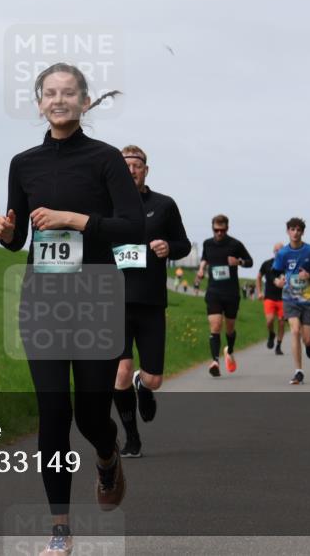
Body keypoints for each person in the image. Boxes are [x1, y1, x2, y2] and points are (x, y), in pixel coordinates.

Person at [0, 63, 143, 556]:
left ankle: (106, 453)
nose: (58, 100)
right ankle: (60, 529)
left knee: (90, 415)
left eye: (68, 93)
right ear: (39, 103)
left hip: (96, 298)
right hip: (43, 303)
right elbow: (18, 240)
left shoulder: (104, 160)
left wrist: (76, 220)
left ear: (83, 102)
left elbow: (133, 226)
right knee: (53, 412)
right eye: (49, 94)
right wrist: (7, 233)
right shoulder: (23, 163)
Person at [112, 145, 191, 458]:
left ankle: (143, 387)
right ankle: (132, 440)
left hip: (151, 303)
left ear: (146, 170)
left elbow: (183, 244)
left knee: (154, 379)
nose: (131, 169)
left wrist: (168, 247)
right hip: (114, 302)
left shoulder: (164, 205)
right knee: (118, 373)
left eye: (137, 165)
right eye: (125, 165)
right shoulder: (106, 204)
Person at [195, 215, 254, 377]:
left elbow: (250, 261)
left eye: (222, 230)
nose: (219, 233)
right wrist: (201, 269)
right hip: (213, 291)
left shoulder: (235, 244)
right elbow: (205, 258)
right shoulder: (207, 243)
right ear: (212, 228)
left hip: (231, 293)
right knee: (215, 325)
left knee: (229, 328)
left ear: (227, 229)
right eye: (216, 230)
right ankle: (215, 361)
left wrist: (239, 262)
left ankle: (230, 350)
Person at [272, 217, 310, 385]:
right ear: (288, 231)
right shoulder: (283, 253)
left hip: (308, 299)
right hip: (290, 298)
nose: (295, 233)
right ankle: (298, 371)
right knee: (295, 331)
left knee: (306, 338)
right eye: (292, 229)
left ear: (302, 232)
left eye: (298, 230)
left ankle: (309, 345)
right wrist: (277, 281)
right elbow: (275, 272)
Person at [256, 243, 286, 356]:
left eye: (280, 250)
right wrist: (259, 292)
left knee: (282, 322)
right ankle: (271, 334)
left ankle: (278, 346)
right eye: (276, 250)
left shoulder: (287, 265)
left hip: (283, 298)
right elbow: (259, 276)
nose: (278, 252)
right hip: (269, 297)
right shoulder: (267, 264)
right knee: (269, 321)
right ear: (273, 252)